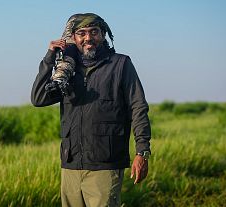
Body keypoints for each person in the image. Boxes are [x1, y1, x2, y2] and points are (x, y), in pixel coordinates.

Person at [31, 13, 151, 207]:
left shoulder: (120, 64)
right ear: (74, 39)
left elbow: (138, 107)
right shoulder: (66, 72)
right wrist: (49, 58)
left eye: (94, 32)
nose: (88, 38)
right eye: (82, 33)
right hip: (71, 165)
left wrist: (142, 151)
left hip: (105, 165)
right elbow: (38, 99)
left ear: (103, 35)